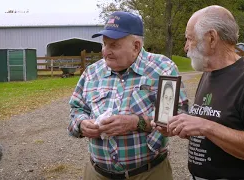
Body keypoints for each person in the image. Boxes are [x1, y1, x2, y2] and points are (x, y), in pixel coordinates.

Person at [154, 5, 244, 180]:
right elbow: (214, 131)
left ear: (212, 38)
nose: (185, 47)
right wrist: (183, 128)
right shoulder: (208, 73)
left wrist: (205, 126)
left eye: (189, 39)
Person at [68, 11, 188, 180]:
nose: (106, 52)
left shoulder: (163, 68)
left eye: (114, 45)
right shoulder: (92, 72)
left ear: (136, 46)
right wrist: (81, 124)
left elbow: (178, 116)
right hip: (97, 173)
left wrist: (136, 122)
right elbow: (76, 109)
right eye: (104, 44)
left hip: (148, 173)